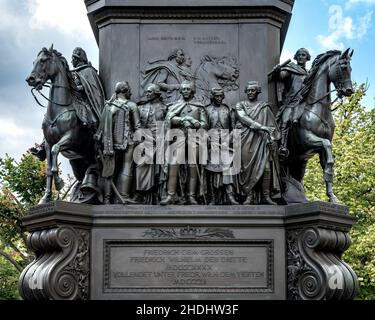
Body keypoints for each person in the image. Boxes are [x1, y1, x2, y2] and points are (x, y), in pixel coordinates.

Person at [160, 81, 208, 205]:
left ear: (192, 91)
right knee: (174, 165)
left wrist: (195, 123)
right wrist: (182, 120)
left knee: (193, 167)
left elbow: (205, 124)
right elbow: (169, 119)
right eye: (184, 89)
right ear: (181, 91)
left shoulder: (199, 107)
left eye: (188, 89)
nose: (186, 91)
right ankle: (171, 195)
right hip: (178, 138)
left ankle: (191, 196)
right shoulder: (174, 106)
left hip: (194, 138)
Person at [235, 81, 282, 205]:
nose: (250, 92)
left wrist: (272, 139)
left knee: (266, 168)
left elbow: (272, 127)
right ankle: (248, 195)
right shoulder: (240, 105)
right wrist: (262, 127)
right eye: (248, 90)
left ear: (258, 91)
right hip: (246, 139)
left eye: (253, 90)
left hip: (261, 141)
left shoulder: (264, 107)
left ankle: (266, 196)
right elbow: (243, 118)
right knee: (246, 168)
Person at [95, 81, 141, 204]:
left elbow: (100, 128)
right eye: (129, 89)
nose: (131, 92)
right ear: (125, 91)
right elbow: (137, 126)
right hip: (128, 141)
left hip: (109, 143)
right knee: (127, 167)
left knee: (109, 170)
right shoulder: (131, 106)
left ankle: (107, 199)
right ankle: (123, 196)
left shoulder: (108, 106)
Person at [271, 48, 311, 157]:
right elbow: (281, 76)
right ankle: (283, 146)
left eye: (303, 55)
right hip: (291, 101)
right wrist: (277, 70)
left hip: (304, 102)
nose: (301, 57)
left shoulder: (309, 73)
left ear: (307, 58)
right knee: (285, 120)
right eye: (299, 55)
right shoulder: (291, 68)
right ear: (296, 57)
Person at [205, 88, 239, 205]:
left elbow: (233, 128)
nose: (219, 98)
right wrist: (209, 140)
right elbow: (203, 129)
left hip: (225, 142)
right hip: (212, 143)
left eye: (221, 96)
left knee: (227, 171)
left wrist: (228, 140)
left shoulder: (227, 109)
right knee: (212, 172)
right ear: (213, 97)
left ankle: (230, 196)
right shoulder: (207, 109)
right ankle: (213, 198)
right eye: (217, 96)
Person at [135, 84, 167, 204]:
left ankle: (160, 194)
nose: (147, 94)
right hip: (145, 139)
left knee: (161, 167)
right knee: (141, 165)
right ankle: (142, 194)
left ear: (156, 93)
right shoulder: (140, 107)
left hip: (160, 139)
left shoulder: (164, 108)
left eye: (149, 92)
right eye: (146, 92)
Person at [71, 47, 105, 123]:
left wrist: (76, 88)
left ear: (76, 58)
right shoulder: (74, 72)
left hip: (87, 102)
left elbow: (92, 89)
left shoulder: (88, 70)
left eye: (72, 59)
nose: (71, 61)